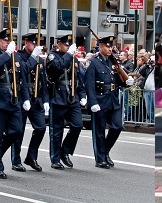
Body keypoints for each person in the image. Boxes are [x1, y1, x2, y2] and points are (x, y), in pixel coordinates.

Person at [0, 29, 30, 179]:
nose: (7, 43)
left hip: (13, 100)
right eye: (4, 40)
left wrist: (26, 98)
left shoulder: (15, 56)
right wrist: (7, 54)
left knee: (16, 130)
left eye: (9, 41)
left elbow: (21, 78)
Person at [84, 35, 134, 169]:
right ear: (100, 46)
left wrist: (126, 82)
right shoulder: (93, 62)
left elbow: (117, 80)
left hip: (113, 100)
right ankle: (100, 159)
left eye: (111, 46)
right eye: (107, 46)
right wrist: (92, 102)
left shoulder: (113, 61)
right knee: (99, 131)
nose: (109, 48)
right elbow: (88, 84)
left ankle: (105, 151)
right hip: (99, 100)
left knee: (117, 126)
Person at [10, 33, 48, 172]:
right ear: (26, 43)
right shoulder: (18, 57)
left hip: (36, 98)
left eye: (37, 43)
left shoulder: (40, 59)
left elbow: (43, 82)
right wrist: (33, 58)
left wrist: (46, 100)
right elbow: (23, 70)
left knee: (41, 128)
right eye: (33, 43)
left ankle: (31, 157)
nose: (36, 46)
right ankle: (16, 160)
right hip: (21, 98)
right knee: (18, 131)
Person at [47, 34, 84, 169]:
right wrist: (68, 54)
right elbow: (57, 67)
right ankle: (55, 159)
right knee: (56, 131)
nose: (68, 47)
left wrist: (82, 95)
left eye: (69, 45)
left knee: (78, 125)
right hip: (58, 97)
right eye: (66, 45)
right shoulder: (53, 56)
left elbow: (79, 79)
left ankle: (65, 151)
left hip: (72, 98)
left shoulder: (74, 59)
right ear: (60, 44)